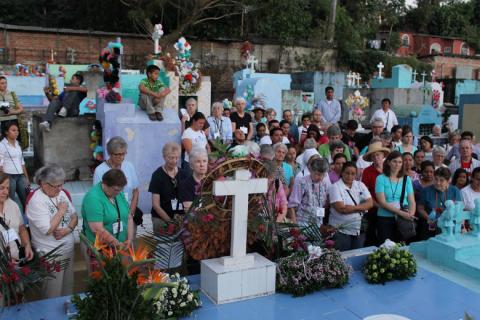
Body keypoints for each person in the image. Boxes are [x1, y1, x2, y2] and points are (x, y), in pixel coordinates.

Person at [27, 165, 78, 298]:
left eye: (61, 184)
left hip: (68, 249)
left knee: (68, 288)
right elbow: (48, 229)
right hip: (51, 254)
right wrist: (61, 211)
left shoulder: (61, 193)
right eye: (56, 186)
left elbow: (74, 216)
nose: (60, 189)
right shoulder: (36, 201)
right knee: (52, 292)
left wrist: (68, 229)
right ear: (43, 184)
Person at [93, 137, 139, 233]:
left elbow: (135, 191)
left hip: (129, 214)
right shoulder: (100, 170)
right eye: (118, 154)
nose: (121, 157)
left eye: (124, 153)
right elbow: (97, 196)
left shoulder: (129, 166)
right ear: (110, 153)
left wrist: (131, 212)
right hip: (110, 217)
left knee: (129, 243)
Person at [329, 162, 373, 251]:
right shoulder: (335, 187)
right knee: (343, 257)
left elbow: (370, 203)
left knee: (357, 255)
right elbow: (342, 209)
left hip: (358, 228)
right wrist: (362, 207)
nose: (349, 176)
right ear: (342, 173)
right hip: (341, 230)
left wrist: (352, 208)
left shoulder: (360, 185)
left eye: (353, 174)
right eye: (347, 173)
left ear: (356, 174)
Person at [375, 151, 416, 243]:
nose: (397, 164)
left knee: (401, 247)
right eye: (394, 161)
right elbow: (382, 202)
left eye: (400, 162)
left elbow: (411, 200)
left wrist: (410, 214)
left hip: (403, 219)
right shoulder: (380, 178)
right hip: (385, 218)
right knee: (386, 247)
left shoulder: (407, 179)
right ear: (389, 162)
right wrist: (401, 213)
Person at [417, 167, 462, 240]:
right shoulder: (426, 191)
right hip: (430, 226)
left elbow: (459, 210)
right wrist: (428, 218)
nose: (438, 183)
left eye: (441, 180)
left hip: (449, 226)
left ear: (448, 181)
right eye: (436, 179)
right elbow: (420, 208)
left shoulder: (455, 190)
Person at [149, 143, 184, 234]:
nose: (174, 161)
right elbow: (156, 205)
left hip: (181, 218)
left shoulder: (184, 174)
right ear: (164, 157)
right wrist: (170, 221)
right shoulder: (157, 175)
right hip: (161, 218)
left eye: (176, 158)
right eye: (171, 158)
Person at [0, 172, 33, 265]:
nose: (6, 192)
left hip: (16, 260)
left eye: (7, 188)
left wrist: (27, 245)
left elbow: (21, 228)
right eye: (1, 188)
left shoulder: (13, 205)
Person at [361, 142, 391, 246]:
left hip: (391, 208)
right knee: (372, 236)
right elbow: (365, 193)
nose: (376, 157)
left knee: (389, 236)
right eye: (373, 156)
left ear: (383, 155)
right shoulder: (367, 171)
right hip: (374, 209)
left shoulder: (390, 169)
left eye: (378, 154)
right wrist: (379, 206)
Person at [288, 158, 330, 225]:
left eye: (323, 175)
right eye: (318, 174)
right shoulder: (302, 182)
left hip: (318, 223)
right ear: (310, 170)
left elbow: (323, 204)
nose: (320, 178)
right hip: (302, 222)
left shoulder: (323, 183)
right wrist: (295, 225)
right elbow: (292, 205)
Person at [0, 122, 30, 210]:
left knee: (26, 200)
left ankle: (28, 221)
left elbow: (22, 162)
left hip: (20, 176)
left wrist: (26, 178)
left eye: (17, 130)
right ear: (6, 132)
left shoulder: (18, 144)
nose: (16, 132)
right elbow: (0, 165)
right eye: (13, 130)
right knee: (9, 201)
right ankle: (9, 221)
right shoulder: (1, 145)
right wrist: (3, 180)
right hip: (8, 176)